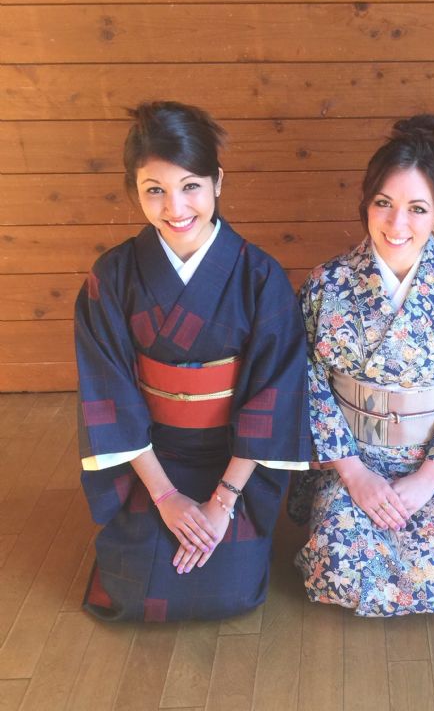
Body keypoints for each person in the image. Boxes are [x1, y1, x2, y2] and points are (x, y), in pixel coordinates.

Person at [74, 101, 310, 622]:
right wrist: (165, 497)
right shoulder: (112, 277)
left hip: (233, 459)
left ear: (217, 181)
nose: (175, 207)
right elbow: (109, 393)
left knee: (231, 591)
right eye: (154, 190)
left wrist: (222, 501)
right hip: (150, 457)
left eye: (190, 186)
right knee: (134, 591)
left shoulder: (259, 277)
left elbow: (273, 393)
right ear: (134, 190)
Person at [291, 115, 434, 616]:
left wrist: (429, 477)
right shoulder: (328, 284)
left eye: (417, 208)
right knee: (338, 568)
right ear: (366, 204)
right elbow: (307, 380)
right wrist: (353, 473)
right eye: (383, 203)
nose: (397, 224)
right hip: (352, 459)